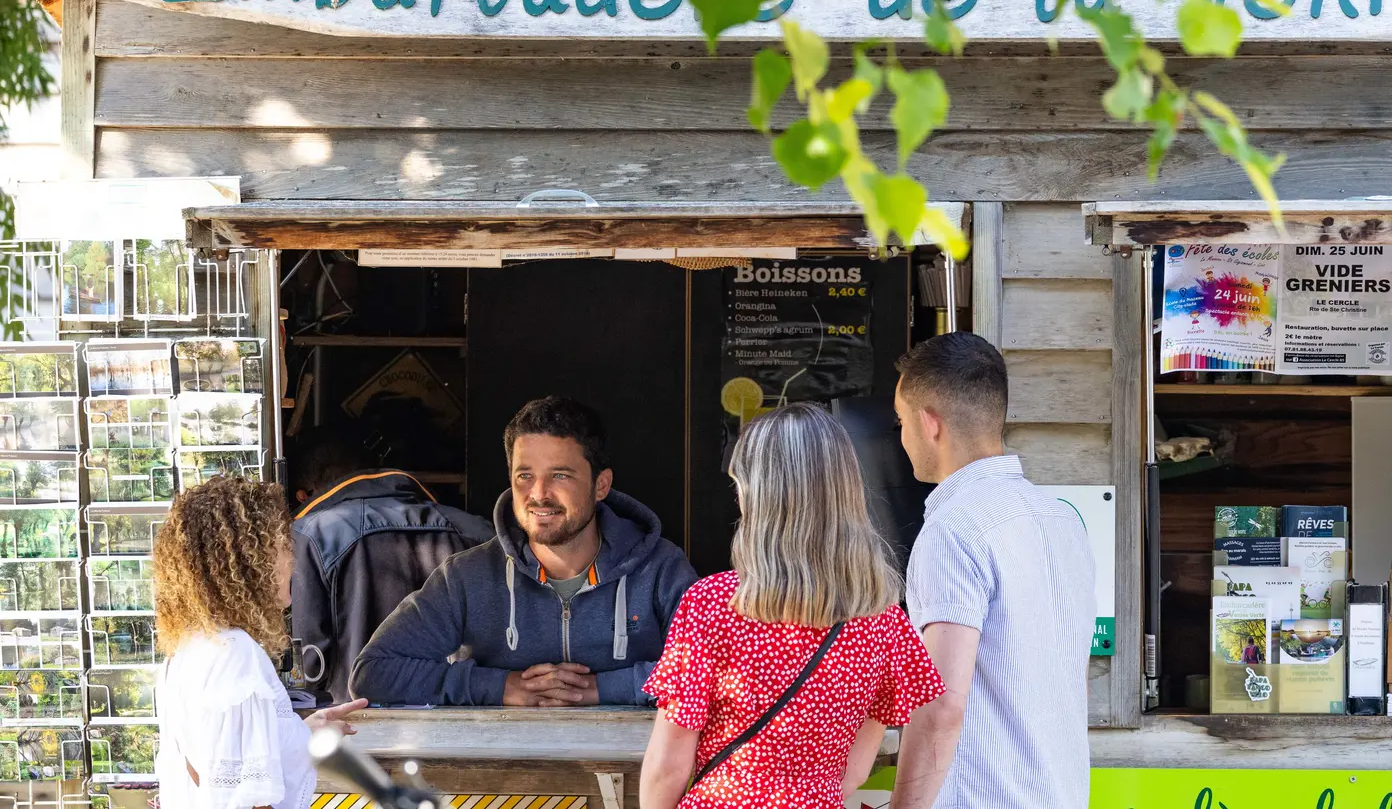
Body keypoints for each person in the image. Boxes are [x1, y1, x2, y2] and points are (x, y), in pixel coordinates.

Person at [637, 403, 944, 808]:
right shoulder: (883, 622)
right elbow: (852, 772)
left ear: (757, 494)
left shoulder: (713, 605)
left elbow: (668, 765)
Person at [352, 396, 698, 706]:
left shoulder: (660, 568)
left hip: (635, 773)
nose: (539, 494)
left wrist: (601, 689)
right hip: (502, 776)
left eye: (560, 475)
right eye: (524, 476)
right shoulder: (467, 576)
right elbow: (373, 673)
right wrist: (500, 686)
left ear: (601, 485)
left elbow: (718, 674)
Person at [888, 333, 1096, 809]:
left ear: (929, 423)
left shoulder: (952, 529)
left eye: (901, 422)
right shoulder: (1063, 521)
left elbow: (940, 703)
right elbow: (1073, 679)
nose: (901, 437)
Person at [155, 477, 366, 809]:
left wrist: (304, 735)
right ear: (249, 560)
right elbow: (250, 797)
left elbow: (231, 766)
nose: (291, 562)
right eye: (282, 546)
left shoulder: (188, 649)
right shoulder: (235, 654)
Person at [290, 431, 494, 705]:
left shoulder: (310, 536)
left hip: (354, 724)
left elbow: (309, 663)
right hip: (463, 719)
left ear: (304, 495)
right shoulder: (477, 531)